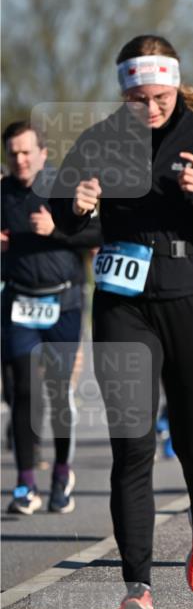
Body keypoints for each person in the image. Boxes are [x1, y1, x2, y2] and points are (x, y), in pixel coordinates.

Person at [50, 34, 193, 609]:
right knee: (132, 444)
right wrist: (77, 207)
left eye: (160, 95)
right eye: (138, 97)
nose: (150, 107)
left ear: (176, 84)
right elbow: (57, 225)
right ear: (123, 91)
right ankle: (137, 588)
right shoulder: (99, 142)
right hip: (123, 304)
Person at [1, 121, 101, 514]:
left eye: (27, 152)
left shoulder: (65, 187)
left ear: (43, 153)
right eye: (13, 153)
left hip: (64, 303)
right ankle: (26, 484)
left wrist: (55, 229)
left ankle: (62, 475)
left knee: (60, 394)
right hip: (19, 303)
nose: (20, 160)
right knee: (23, 391)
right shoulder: (4, 193)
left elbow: (96, 235)